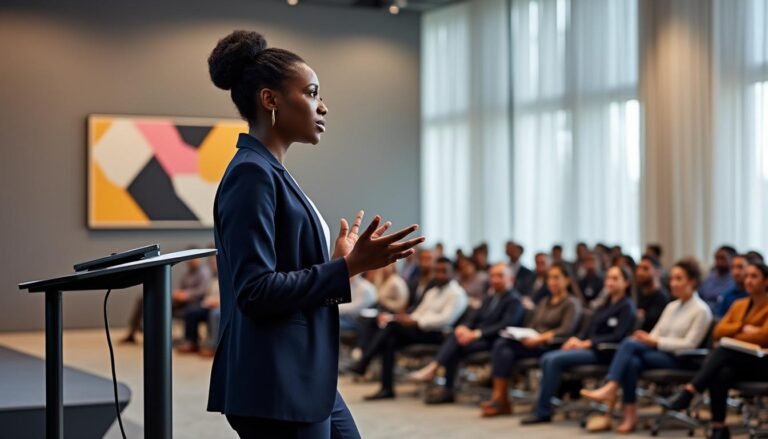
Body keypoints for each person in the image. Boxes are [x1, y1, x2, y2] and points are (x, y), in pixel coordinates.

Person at [205, 30, 424, 438]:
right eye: (311, 93)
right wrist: (348, 268)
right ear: (270, 100)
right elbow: (255, 291)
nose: (323, 106)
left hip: (301, 372)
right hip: (275, 380)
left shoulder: (270, 170)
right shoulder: (252, 174)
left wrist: (337, 264)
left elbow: (284, 274)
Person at [580, 258, 713, 433]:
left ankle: (612, 387)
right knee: (632, 361)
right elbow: (656, 333)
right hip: (661, 354)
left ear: (692, 281)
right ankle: (629, 413)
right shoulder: (672, 306)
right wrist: (646, 338)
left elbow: (690, 344)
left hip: (682, 359)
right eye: (672, 278)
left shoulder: (701, 310)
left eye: (679, 279)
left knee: (628, 344)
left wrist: (655, 342)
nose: (673, 283)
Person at [663, 263, 768, 439]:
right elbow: (718, 330)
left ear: (766, 281)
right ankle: (719, 428)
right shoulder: (739, 304)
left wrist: (737, 334)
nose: (748, 280)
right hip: (740, 362)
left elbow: (764, 337)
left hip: (763, 362)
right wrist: (742, 327)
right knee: (721, 372)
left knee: (724, 350)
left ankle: (690, 391)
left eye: (754, 276)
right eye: (747, 276)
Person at [521, 266, 636, 425]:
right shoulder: (604, 304)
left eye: (615, 279)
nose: (610, 282)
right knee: (547, 358)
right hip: (589, 348)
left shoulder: (627, 306)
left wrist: (587, 343)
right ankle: (544, 406)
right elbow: (588, 330)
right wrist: (576, 340)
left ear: (627, 282)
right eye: (608, 278)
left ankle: (543, 411)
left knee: (553, 359)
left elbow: (618, 336)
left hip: (605, 353)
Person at [347, 257, 468, 400]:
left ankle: (364, 361)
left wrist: (415, 321)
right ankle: (386, 388)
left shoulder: (457, 293)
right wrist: (406, 318)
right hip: (421, 330)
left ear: (453, 272)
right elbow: (419, 311)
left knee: (391, 327)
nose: (440, 274)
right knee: (389, 339)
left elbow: (446, 320)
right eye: (437, 271)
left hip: (440, 335)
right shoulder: (433, 291)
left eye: (444, 271)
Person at [408, 263, 525, 404]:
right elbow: (474, 317)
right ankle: (445, 386)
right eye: (493, 276)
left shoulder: (514, 300)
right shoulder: (490, 297)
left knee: (455, 342)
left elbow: (505, 325)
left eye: (500, 276)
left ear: (510, 279)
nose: (495, 280)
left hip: (495, 342)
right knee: (456, 336)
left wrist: (476, 334)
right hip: (478, 338)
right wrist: (464, 328)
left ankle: (436, 373)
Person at [480, 262, 582, 417]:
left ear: (567, 280)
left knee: (503, 346)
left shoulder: (571, 303)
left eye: (557, 278)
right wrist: (525, 334)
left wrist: (540, 338)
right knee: (503, 346)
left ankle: (500, 399)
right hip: (534, 343)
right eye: (550, 278)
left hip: (552, 346)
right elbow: (533, 325)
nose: (552, 282)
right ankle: (500, 398)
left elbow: (566, 330)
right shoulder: (544, 302)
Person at [122, 251, 212, 344]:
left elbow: (202, 291)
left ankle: (158, 335)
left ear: (198, 259)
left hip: (194, 302)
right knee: (143, 299)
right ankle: (135, 330)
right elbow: (182, 288)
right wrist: (178, 293)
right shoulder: (188, 273)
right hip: (180, 301)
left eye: (193, 259)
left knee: (163, 306)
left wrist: (186, 294)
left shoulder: (204, 272)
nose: (190, 261)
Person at [179, 253, 221, 356]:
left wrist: (217, 302)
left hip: (219, 306)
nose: (213, 265)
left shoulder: (226, 276)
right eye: (211, 263)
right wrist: (207, 301)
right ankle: (191, 342)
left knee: (214, 314)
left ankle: (214, 346)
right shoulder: (212, 277)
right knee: (192, 311)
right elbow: (206, 293)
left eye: (214, 263)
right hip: (208, 305)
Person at [634, 256, 670, 332]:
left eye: (645, 269)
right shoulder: (638, 293)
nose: (639, 272)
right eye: (639, 268)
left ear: (657, 272)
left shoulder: (661, 298)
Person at [699, 246, 738, 311]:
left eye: (723, 258)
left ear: (733, 259)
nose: (719, 261)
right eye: (717, 258)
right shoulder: (708, 276)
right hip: (704, 312)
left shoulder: (735, 279)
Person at [714, 254, 750, 318]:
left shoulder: (755, 295)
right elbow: (719, 318)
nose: (736, 272)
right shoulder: (727, 294)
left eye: (740, 267)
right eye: (732, 267)